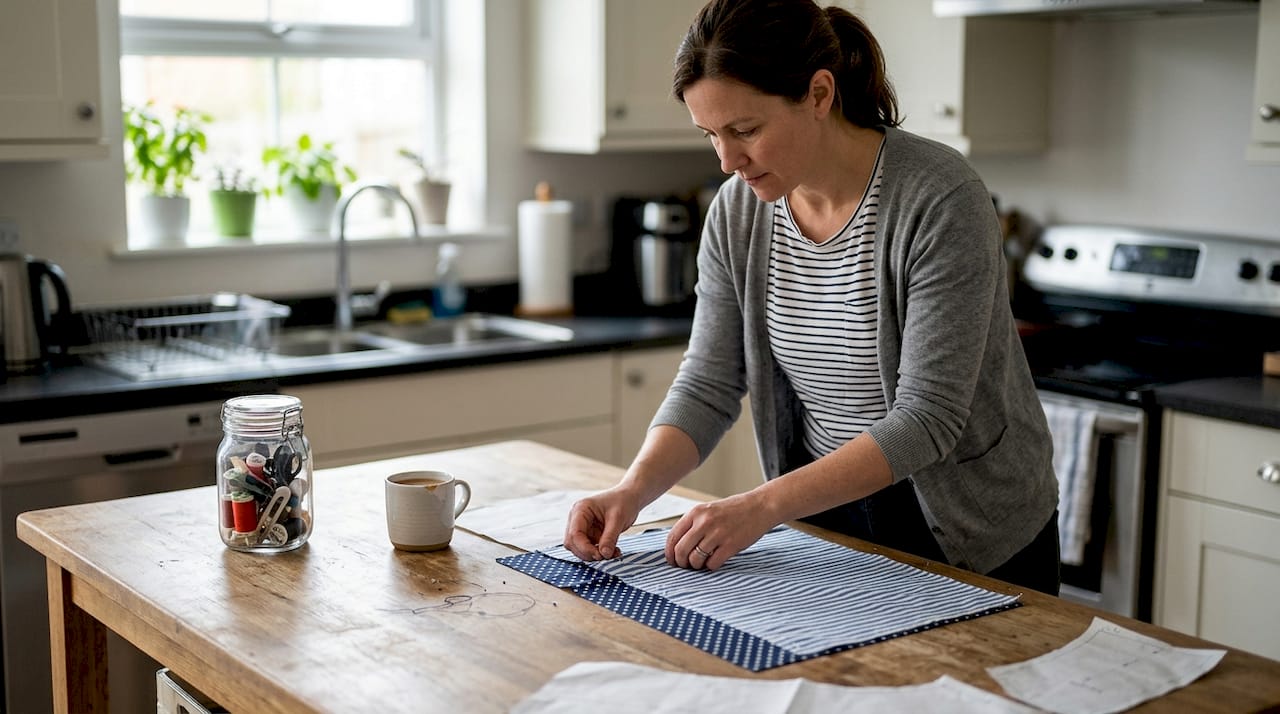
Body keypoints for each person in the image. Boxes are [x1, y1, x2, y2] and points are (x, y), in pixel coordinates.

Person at [564, 0, 1061, 595]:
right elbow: (709, 382)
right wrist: (632, 491)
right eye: (710, 136)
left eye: (745, 130)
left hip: (965, 527)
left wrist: (759, 506)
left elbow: (928, 420)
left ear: (819, 95)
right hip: (823, 510)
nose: (727, 161)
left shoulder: (938, 197)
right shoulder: (738, 212)